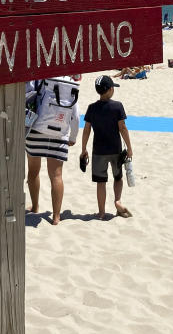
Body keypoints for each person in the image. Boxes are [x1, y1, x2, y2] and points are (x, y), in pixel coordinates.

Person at [25, 76, 80, 225]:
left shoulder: (36, 74)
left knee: (33, 171)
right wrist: (73, 136)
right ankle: (56, 217)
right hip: (60, 131)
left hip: (36, 128)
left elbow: (28, 94)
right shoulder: (70, 80)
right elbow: (75, 113)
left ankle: (35, 206)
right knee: (56, 175)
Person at [80, 75, 133, 219]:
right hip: (115, 150)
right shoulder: (117, 106)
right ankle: (117, 201)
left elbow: (86, 130)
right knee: (118, 178)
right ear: (110, 90)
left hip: (98, 152)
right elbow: (122, 128)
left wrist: (83, 148)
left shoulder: (92, 108)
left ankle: (101, 212)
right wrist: (129, 147)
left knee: (101, 182)